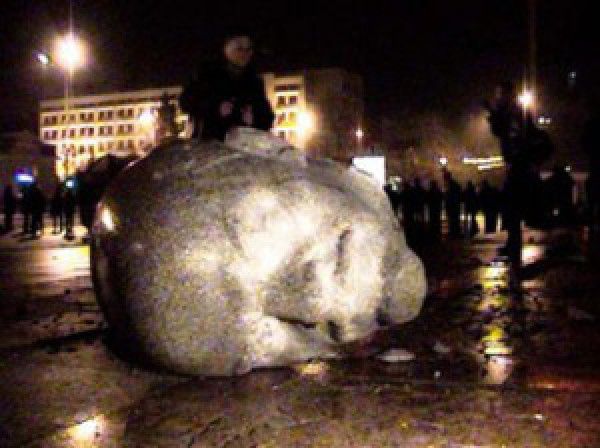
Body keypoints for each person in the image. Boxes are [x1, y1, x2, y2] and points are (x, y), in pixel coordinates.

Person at [487, 82, 552, 263]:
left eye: (501, 94)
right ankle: (513, 244)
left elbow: (505, 132)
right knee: (514, 206)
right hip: (521, 163)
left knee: (512, 206)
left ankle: (514, 246)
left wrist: (494, 114)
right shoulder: (515, 112)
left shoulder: (514, 113)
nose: (498, 98)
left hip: (520, 164)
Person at [180, 31, 275, 141]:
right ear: (226, 49)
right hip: (210, 143)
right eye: (239, 48)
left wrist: (254, 118)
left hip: (242, 145)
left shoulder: (254, 81)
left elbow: (267, 117)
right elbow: (186, 103)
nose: (245, 53)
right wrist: (216, 108)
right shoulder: (206, 75)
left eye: (249, 49)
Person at [444, 170, 462, 238]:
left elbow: (450, 196)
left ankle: (454, 232)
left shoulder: (451, 185)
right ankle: (454, 231)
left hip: (453, 205)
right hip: (454, 205)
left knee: (453, 219)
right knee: (453, 219)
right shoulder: (453, 184)